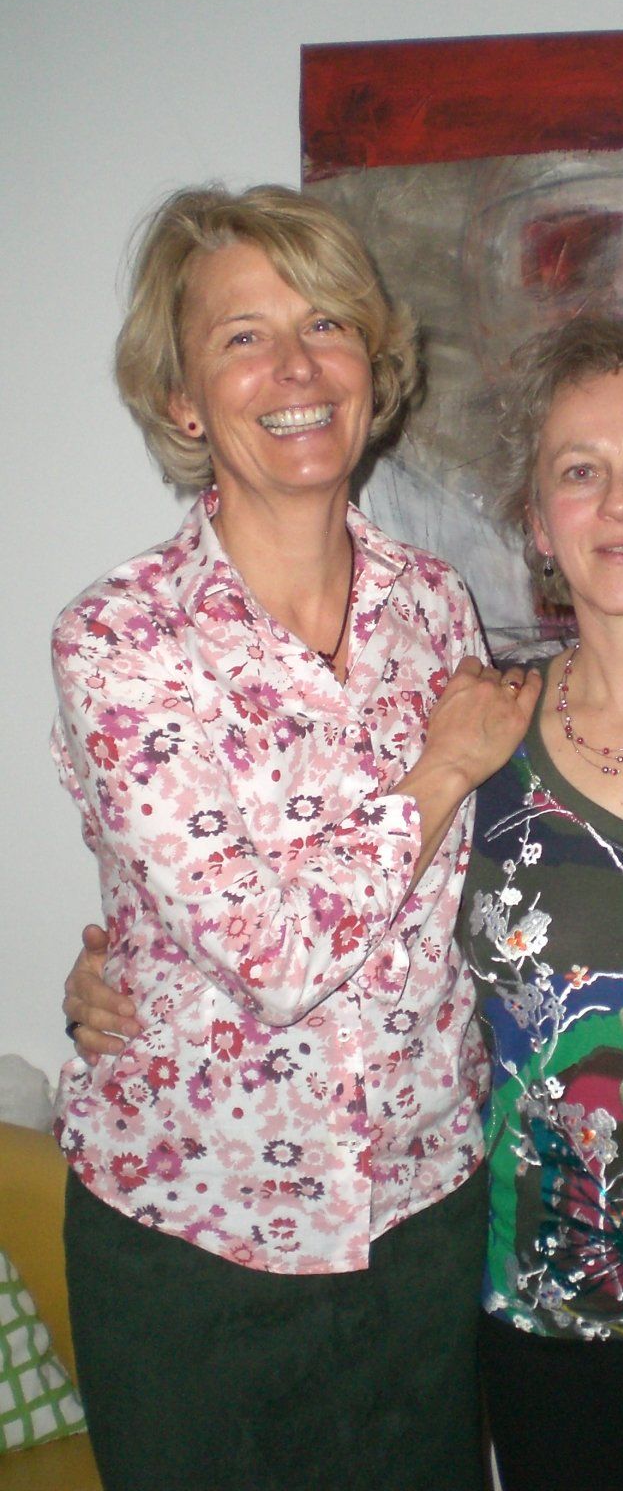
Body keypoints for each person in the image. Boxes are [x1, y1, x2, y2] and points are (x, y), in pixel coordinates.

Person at [70, 312, 623, 1491]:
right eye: (578, 473)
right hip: (544, 1314)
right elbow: (325, 906)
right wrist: (116, 977)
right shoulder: (475, 734)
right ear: (538, 524)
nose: (620, 502)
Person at [49, 183, 539, 1491]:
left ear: (373, 366)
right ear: (182, 400)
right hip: (190, 1234)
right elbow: (269, 955)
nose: (297, 367)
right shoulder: (119, 639)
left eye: (326, 323)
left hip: (422, 1215)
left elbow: (494, 892)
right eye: (243, 337)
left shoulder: (437, 610)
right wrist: (441, 767)